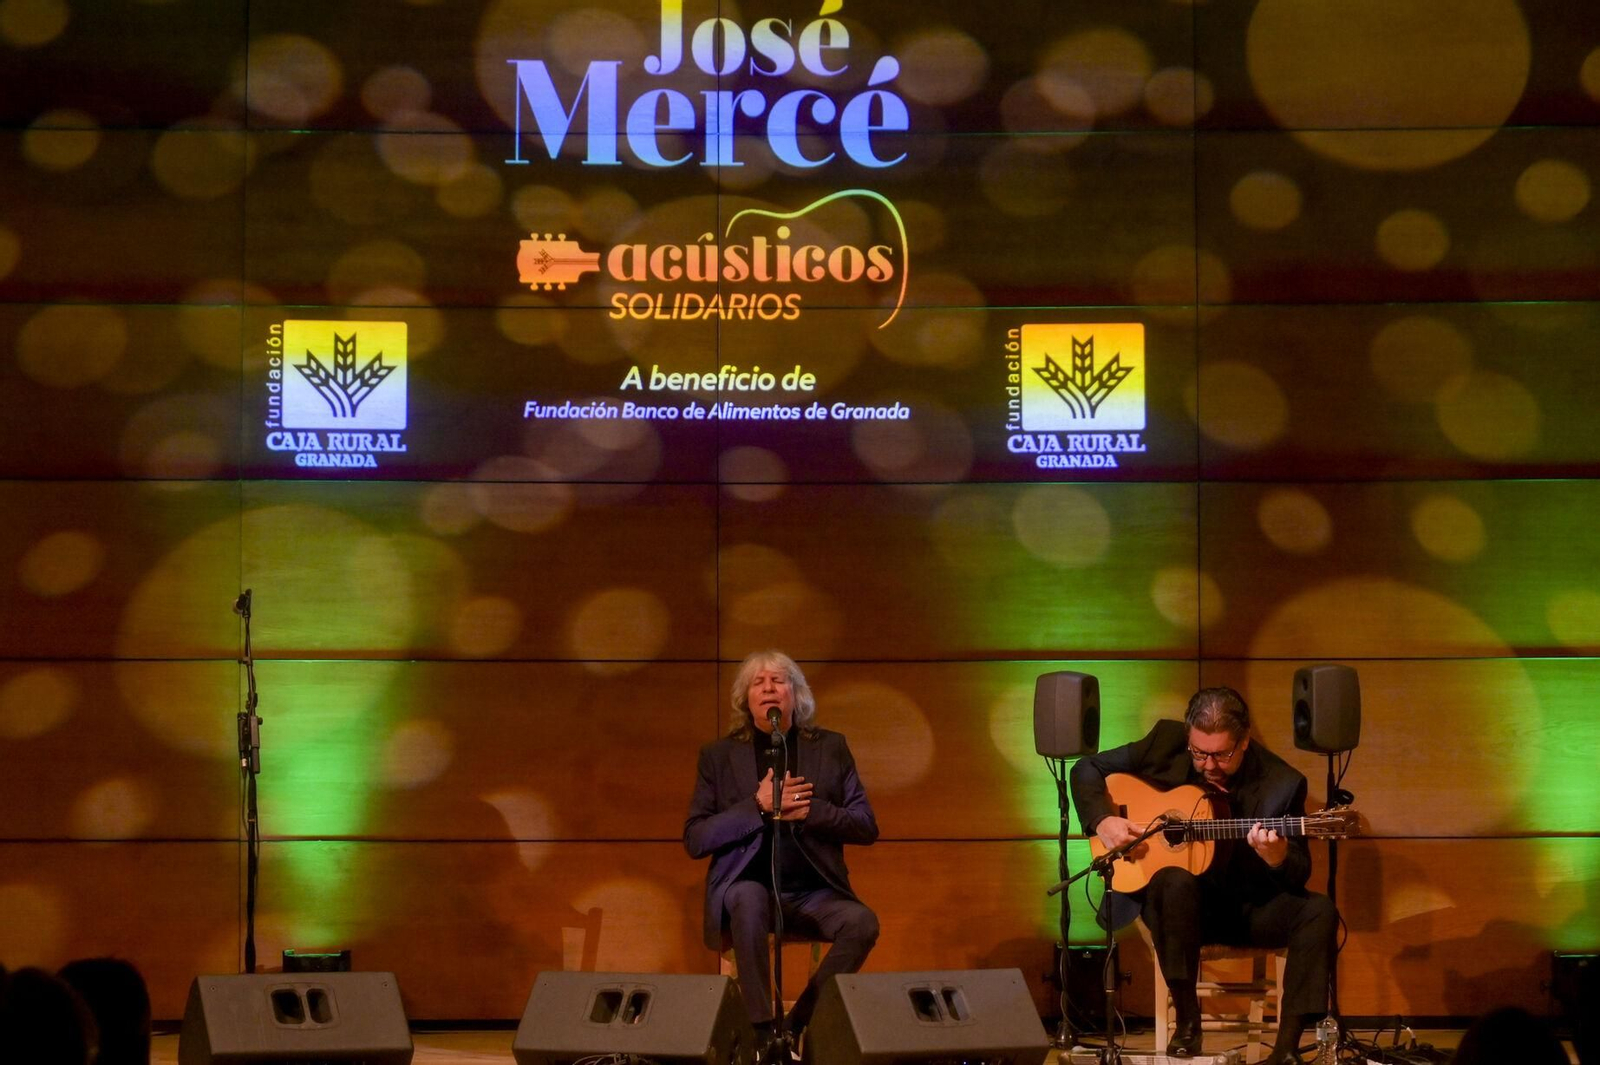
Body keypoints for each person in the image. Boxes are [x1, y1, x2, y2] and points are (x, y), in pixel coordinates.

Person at [1070, 687, 1338, 1064]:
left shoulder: (1282, 782)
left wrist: (1277, 857)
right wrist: (1102, 820)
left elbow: (1299, 871)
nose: (1209, 764)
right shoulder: (1165, 740)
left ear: (1244, 741)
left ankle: (1287, 1049)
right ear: (1187, 735)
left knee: (1320, 910)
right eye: (1199, 752)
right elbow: (1086, 768)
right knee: (1175, 879)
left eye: (1221, 754)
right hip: (1176, 911)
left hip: (1245, 909)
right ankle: (1187, 1022)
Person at [684, 650, 880, 1059]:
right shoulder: (718, 757)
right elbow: (696, 838)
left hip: (814, 892)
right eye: (759, 682)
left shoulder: (831, 747)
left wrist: (812, 811)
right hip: (750, 891)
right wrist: (755, 807)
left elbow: (865, 826)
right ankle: (760, 1035)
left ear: (797, 694)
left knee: (862, 923)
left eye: (779, 681)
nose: (769, 689)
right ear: (746, 698)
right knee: (747, 898)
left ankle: (796, 1023)